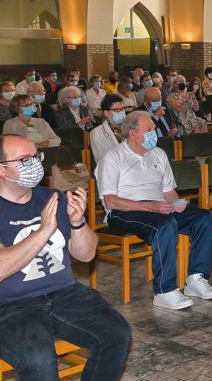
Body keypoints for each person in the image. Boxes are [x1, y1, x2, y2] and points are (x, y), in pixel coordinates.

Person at [0, 134, 131, 379]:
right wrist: (43, 232)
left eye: (35, 156)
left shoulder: (54, 198)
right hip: (9, 305)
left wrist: (77, 222)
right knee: (38, 359)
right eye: (24, 159)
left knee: (117, 334)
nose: (35, 164)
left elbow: (87, 254)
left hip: (64, 293)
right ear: (2, 170)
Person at [96, 111, 212, 309]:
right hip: (124, 211)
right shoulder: (113, 158)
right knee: (165, 225)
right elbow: (110, 201)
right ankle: (164, 290)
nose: (154, 133)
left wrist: (176, 204)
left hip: (157, 206)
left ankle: (196, 279)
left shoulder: (159, 154)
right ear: (132, 132)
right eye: (149, 130)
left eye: (154, 129)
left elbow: (168, 192)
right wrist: (149, 206)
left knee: (203, 218)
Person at [89, 93, 128, 164]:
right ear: (106, 113)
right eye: (117, 110)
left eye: (123, 109)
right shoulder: (96, 133)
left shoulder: (130, 127)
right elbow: (101, 161)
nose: (122, 112)